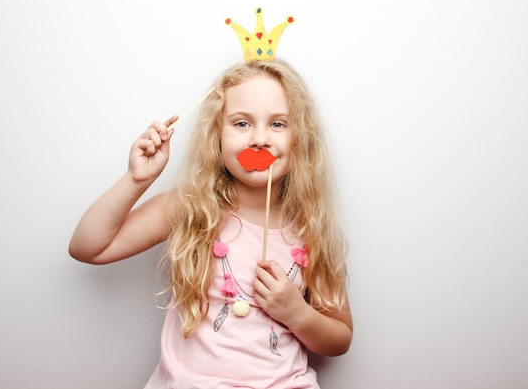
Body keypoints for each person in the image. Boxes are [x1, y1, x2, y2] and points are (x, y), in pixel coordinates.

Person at [69, 58, 353, 388]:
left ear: (301, 138)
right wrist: (137, 179)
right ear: (216, 134)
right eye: (242, 123)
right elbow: (88, 248)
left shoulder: (312, 228)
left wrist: (296, 312)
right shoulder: (189, 207)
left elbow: (340, 339)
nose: (259, 139)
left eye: (278, 124)